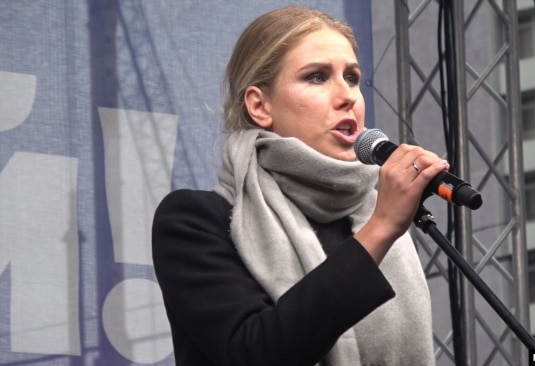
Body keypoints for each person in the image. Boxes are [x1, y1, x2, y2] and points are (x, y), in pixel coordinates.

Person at [152, 5, 450, 366]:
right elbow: (253, 353)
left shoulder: (373, 218)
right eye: (317, 77)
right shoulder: (195, 220)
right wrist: (382, 228)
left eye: (352, 78)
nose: (348, 97)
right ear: (260, 106)